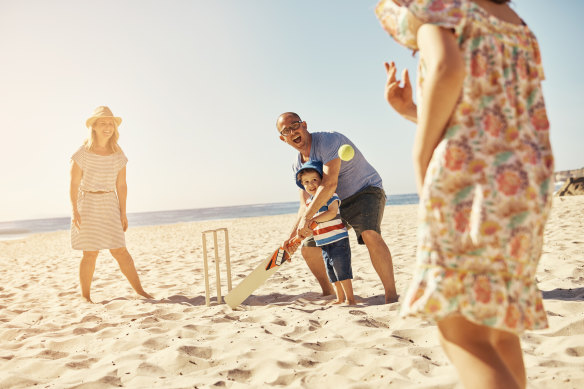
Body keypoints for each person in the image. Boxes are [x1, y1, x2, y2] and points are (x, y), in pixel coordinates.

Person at [376, 1, 554, 388]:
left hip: (469, 180)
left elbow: (446, 67)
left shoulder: (440, 8)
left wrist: (422, 151)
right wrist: (413, 112)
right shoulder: (514, 23)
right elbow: (490, 114)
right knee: (497, 325)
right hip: (525, 181)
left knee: (462, 332)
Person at [276, 112, 398, 304]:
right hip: (331, 204)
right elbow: (305, 204)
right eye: (286, 131)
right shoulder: (297, 165)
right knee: (308, 249)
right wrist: (292, 237)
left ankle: (391, 295)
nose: (292, 132)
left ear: (304, 125)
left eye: (295, 125)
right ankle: (329, 292)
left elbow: (329, 184)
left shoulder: (329, 140)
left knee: (369, 234)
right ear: (283, 138)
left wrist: (308, 220)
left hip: (364, 191)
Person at [70, 106, 153, 303]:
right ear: (94, 127)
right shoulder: (82, 153)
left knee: (120, 250)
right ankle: (85, 297)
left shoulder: (118, 154)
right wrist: (74, 210)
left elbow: (122, 185)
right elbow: (73, 184)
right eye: (103, 123)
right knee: (90, 252)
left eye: (110, 123)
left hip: (109, 202)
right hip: (87, 202)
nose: (107, 127)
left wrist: (123, 213)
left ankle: (140, 291)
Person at [295, 160, 356, 305]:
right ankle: (340, 298)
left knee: (342, 270)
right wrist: (301, 233)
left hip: (338, 240)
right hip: (323, 242)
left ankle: (350, 299)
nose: (311, 184)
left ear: (322, 180)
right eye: (306, 182)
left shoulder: (330, 195)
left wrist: (313, 220)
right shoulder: (310, 203)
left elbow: (332, 213)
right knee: (332, 272)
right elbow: (308, 224)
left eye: (315, 180)